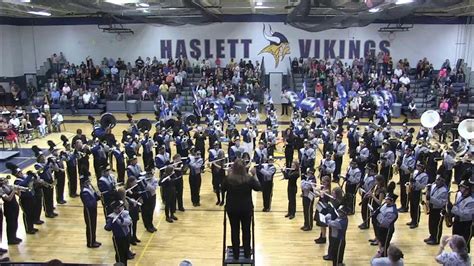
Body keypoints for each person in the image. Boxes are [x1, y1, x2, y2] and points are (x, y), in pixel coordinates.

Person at [223, 158, 261, 260]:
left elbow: (222, 189)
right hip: (246, 208)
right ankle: (247, 253)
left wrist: (227, 175)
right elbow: (258, 187)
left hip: (232, 208)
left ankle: (235, 254)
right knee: (246, 230)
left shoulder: (229, 179)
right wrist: (255, 175)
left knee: (234, 230)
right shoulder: (249, 179)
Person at [104, 200, 132, 266]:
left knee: (125, 253)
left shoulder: (125, 213)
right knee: (120, 254)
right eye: (120, 207)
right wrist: (110, 223)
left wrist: (121, 220)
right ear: (116, 209)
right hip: (118, 238)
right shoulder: (111, 217)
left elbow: (129, 221)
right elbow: (107, 228)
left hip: (126, 236)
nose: (122, 208)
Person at [450, 180, 473, 253]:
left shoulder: (471, 201)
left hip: (465, 225)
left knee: (463, 246)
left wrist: (453, 209)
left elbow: (466, 214)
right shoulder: (461, 197)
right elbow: (457, 207)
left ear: (467, 189)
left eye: (462, 187)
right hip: (457, 223)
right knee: (456, 244)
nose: (460, 189)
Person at [79, 172, 101, 248]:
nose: (89, 182)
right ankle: (90, 243)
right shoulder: (84, 192)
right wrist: (95, 198)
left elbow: (93, 198)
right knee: (90, 226)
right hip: (89, 211)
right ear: (85, 183)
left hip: (93, 209)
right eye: (88, 181)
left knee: (93, 225)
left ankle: (93, 240)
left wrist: (98, 196)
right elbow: (88, 203)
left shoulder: (89, 189)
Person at [425, 175, 448, 245]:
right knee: (431, 223)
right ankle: (432, 236)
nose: (437, 181)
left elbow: (441, 203)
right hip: (432, 208)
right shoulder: (434, 185)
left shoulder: (444, 190)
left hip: (439, 210)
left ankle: (436, 239)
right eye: (437, 179)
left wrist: (431, 199)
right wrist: (428, 190)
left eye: (439, 180)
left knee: (437, 224)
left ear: (443, 182)